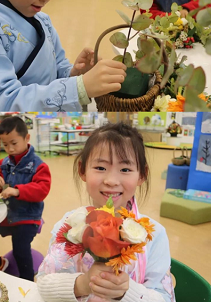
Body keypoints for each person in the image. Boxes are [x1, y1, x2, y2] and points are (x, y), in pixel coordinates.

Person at [37, 122, 174, 302]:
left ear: (142, 175)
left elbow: (164, 298)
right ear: (82, 170)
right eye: (100, 168)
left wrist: (125, 292)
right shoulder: (70, 225)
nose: (111, 180)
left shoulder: (154, 236)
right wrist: (82, 284)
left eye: (125, 169)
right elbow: (42, 284)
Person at [0, 115, 50, 281]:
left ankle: (27, 282)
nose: (10, 148)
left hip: (27, 218)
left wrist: (17, 191)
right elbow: (2, 189)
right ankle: (0, 264)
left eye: (14, 143)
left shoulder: (39, 165)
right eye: (5, 144)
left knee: (20, 250)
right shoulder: (3, 164)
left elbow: (42, 190)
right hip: (7, 215)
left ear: (27, 138)